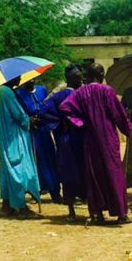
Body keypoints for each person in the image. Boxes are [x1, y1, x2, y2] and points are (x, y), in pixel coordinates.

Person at [59, 63, 132, 225]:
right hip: (108, 139)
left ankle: (97, 214)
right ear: (101, 74)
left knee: (94, 175)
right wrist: (128, 129)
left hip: (90, 139)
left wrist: (80, 123)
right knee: (114, 173)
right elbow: (119, 114)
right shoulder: (107, 91)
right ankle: (121, 214)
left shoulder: (80, 92)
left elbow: (64, 107)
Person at [40, 65, 85, 220]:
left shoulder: (58, 96)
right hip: (79, 139)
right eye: (78, 77)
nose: (81, 80)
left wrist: (58, 123)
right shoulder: (80, 95)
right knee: (81, 171)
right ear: (72, 79)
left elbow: (43, 112)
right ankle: (90, 211)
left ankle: (72, 212)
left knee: (68, 173)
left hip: (65, 140)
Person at [0, 77, 41, 218]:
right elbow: (18, 115)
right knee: (18, 170)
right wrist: (29, 120)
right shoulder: (6, 92)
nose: (20, 78)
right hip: (13, 137)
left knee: (7, 170)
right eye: (18, 76)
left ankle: (7, 205)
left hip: (5, 136)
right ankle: (21, 207)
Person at [15, 79, 61, 203]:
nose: (31, 81)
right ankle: (37, 191)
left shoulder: (42, 90)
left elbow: (47, 106)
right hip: (32, 132)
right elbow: (19, 112)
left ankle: (55, 191)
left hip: (44, 130)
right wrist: (29, 119)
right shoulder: (19, 94)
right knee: (36, 160)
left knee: (50, 158)